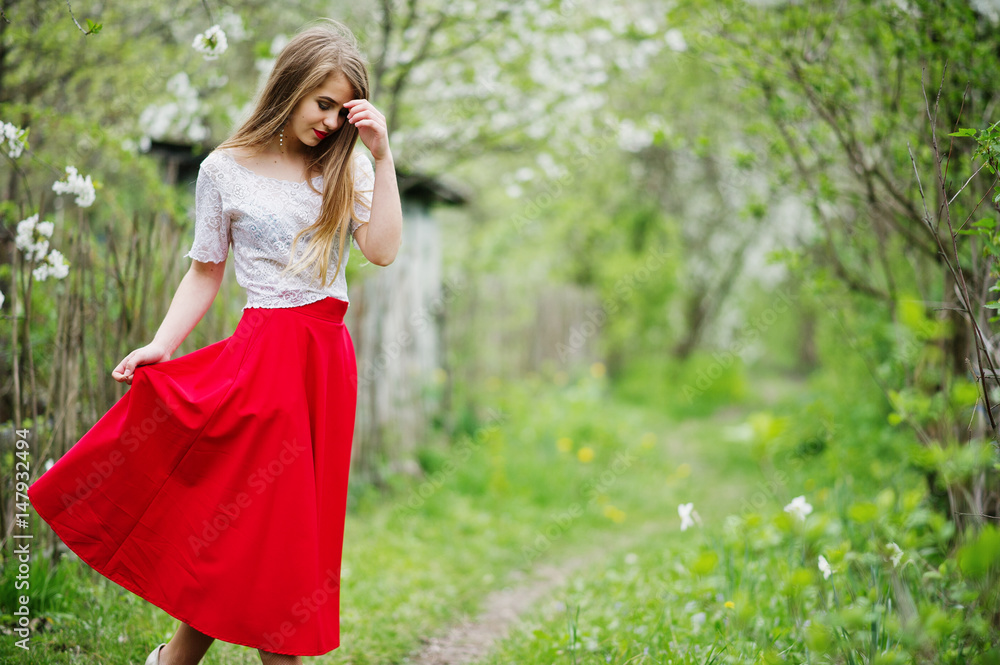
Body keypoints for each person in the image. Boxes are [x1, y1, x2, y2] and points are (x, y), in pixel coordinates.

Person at [26, 17, 402, 665]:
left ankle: (172, 660)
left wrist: (382, 154)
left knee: (277, 533)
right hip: (265, 361)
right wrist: (160, 343)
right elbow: (205, 271)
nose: (331, 121)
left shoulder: (344, 168)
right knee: (266, 532)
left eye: (343, 110)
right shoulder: (223, 170)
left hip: (326, 364)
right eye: (323, 104)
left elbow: (384, 250)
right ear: (290, 85)